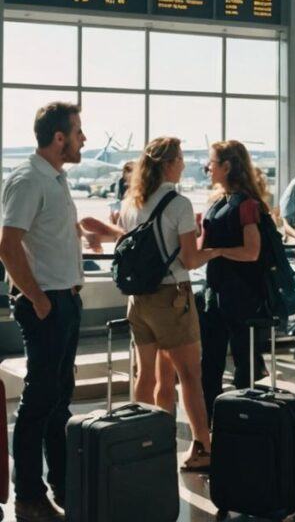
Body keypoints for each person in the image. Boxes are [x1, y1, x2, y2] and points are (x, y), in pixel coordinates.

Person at [80, 137, 221, 472]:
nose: (185, 164)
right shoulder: (179, 204)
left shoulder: (132, 202)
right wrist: (215, 250)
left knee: (148, 375)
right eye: (181, 158)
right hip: (172, 298)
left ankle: (144, 441)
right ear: (169, 163)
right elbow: (188, 259)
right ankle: (202, 446)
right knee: (189, 375)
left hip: (138, 301)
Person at [0, 103, 91, 522]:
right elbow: (8, 244)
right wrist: (37, 297)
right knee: (40, 399)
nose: (83, 139)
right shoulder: (28, 179)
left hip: (65, 300)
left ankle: (61, 483)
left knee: (60, 398)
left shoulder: (56, 179)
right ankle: (29, 494)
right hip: (46, 304)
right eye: (77, 132)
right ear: (59, 138)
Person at [198, 140, 267, 423]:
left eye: (211, 164)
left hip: (238, 295)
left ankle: (241, 422)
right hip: (218, 293)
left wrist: (218, 251)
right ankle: (216, 423)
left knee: (241, 362)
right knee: (212, 362)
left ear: (227, 167)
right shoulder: (222, 202)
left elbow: (252, 252)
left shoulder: (245, 205)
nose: (207, 169)